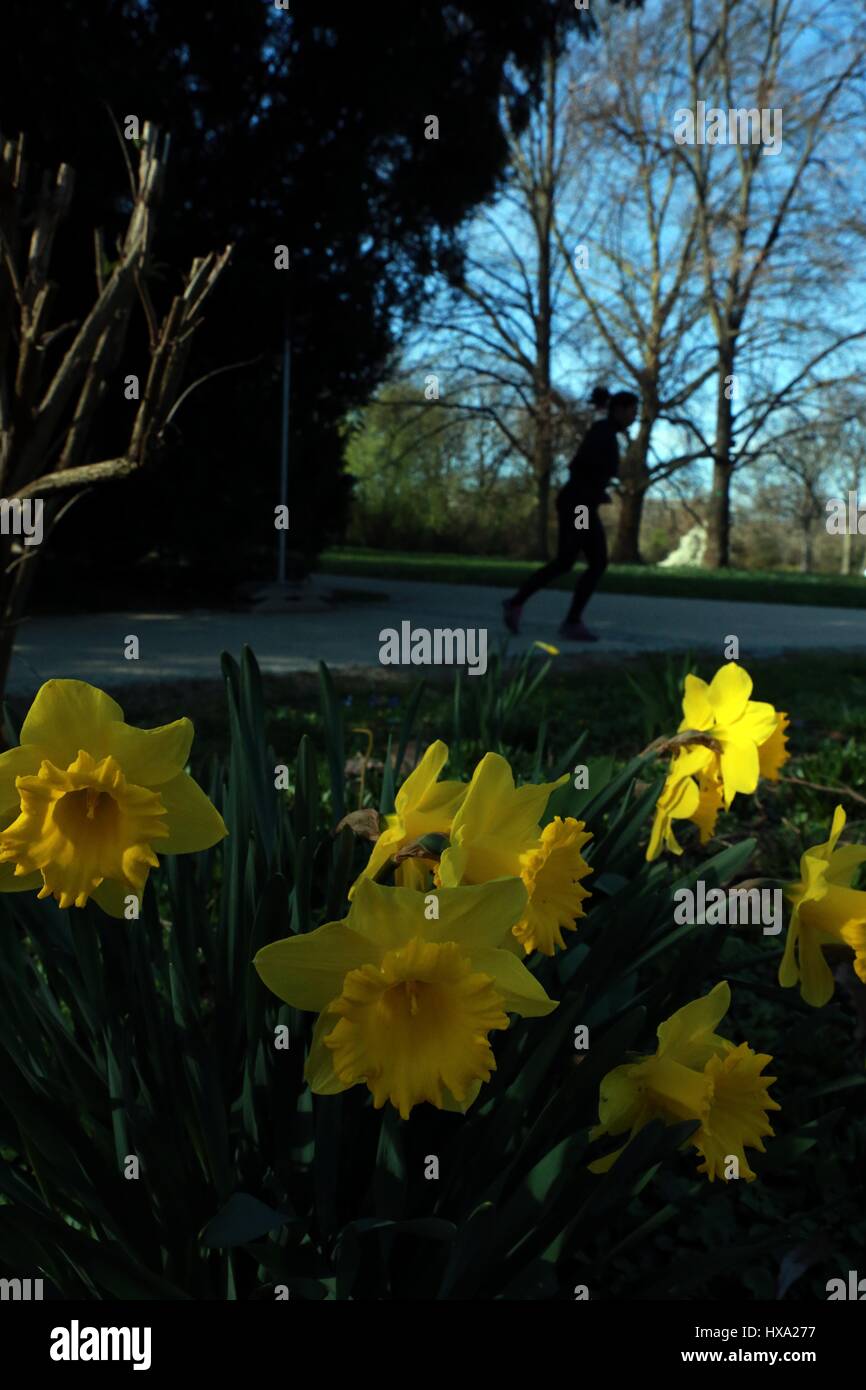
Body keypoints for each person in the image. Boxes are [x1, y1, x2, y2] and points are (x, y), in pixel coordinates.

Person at [503, 386, 638, 641]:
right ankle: (568, 621)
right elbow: (579, 466)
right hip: (579, 506)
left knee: (569, 561)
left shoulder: (605, 431)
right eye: (633, 411)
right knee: (593, 561)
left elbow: (589, 469)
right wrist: (593, 491)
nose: (635, 417)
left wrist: (599, 490)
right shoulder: (602, 432)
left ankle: (518, 603)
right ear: (619, 409)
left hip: (580, 502)